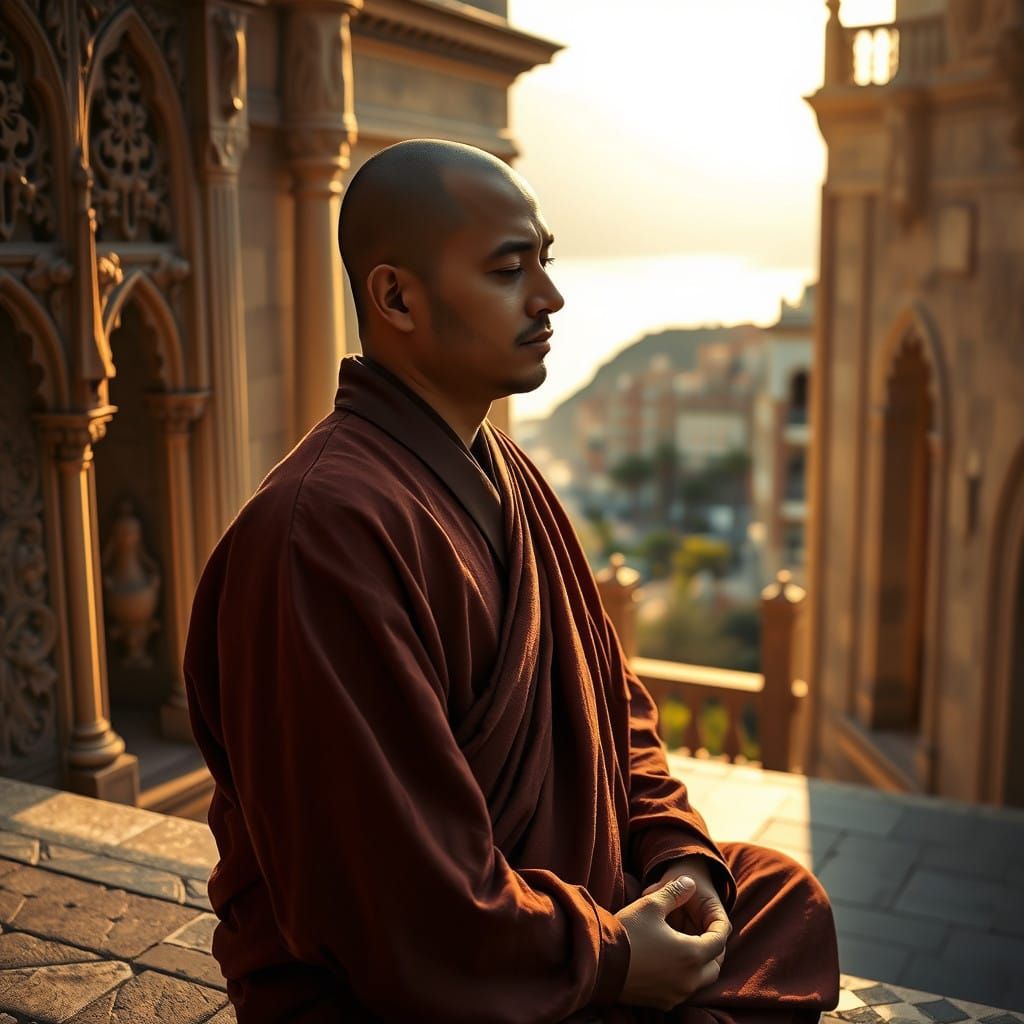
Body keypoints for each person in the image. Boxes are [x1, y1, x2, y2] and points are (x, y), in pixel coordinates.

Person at [184, 139, 840, 1023]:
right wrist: (610, 960)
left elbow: (616, 708)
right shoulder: (318, 533)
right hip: (422, 974)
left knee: (778, 895)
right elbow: (393, 894)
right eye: (508, 271)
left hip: (566, 912)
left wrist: (677, 857)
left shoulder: (510, 475)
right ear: (396, 297)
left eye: (546, 261)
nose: (550, 297)